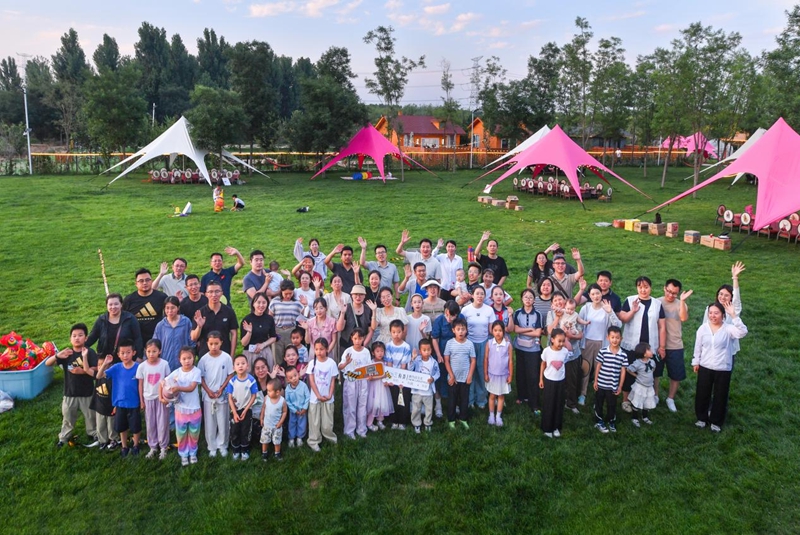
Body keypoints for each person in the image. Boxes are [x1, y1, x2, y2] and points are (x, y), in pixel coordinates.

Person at [86, 293, 142, 450]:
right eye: (110, 304)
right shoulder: (102, 320)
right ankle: (111, 430)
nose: (113, 307)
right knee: (106, 393)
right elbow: (93, 337)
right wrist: (81, 348)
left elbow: (138, 338)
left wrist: (139, 357)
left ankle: (121, 429)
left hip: (125, 360)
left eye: (116, 304)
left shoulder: (130, 319)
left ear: (121, 304)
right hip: (107, 362)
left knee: (123, 391)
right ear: (106, 306)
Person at [692, 301, 747, 432]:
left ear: (723, 315)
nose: (713, 316)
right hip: (705, 366)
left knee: (720, 395)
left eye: (716, 313)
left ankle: (716, 422)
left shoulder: (728, 329)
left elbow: (743, 332)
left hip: (722, 368)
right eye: (710, 313)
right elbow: (698, 347)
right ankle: (702, 418)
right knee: (702, 393)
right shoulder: (703, 329)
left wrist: (734, 315)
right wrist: (696, 362)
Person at [618, 276, 666, 413]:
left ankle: (647, 399)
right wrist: (633, 310)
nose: (643, 290)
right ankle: (626, 400)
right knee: (629, 371)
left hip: (650, 346)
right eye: (640, 287)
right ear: (636, 288)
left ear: (650, 287)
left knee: (649, 373)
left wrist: (662, 347)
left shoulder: (657, 304)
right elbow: (623, 319)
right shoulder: (629, 300)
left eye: (646, 287)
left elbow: (662, 326)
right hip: (632, 345)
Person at [45, 323, 97, 448]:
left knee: (91, 416)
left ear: (86, 338)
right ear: (70, 339)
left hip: (87, 392)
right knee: (68, 417)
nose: (77, 338)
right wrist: (57, 356)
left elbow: (96, 369)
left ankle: (93, 433)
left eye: (80, 335)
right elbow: (48, 363)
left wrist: (82, 371)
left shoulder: (89, 352)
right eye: (74, 336)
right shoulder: (67, 353)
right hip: (70, 393)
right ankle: (64, 437)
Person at [577, 285, 622, 406]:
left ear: (601, 293)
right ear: (589, 296)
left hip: (602, 344)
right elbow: (579, 324)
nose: (596, 296)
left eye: (598, 293)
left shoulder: (606, 307)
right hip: (587, 343)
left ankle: (598, 397)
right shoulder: (586, 308)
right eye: (593, 294)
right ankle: (582, 394)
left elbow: (618, 325)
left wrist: (610, 312)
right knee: (585, 369)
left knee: (600, 371)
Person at [96, 339, 141, 457]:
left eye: (128, 352)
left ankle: (136, 445)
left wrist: (142, 401)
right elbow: (99, 376)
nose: (125, 355)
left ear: (134, 352)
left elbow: (142, 385)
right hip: (120, 403)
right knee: (122, 426)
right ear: (118, 354)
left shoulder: (138, 367)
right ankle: (124, 446)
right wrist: (105, 363)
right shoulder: (116, 368)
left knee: (135, 426)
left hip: (134, 403)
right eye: (122, 353)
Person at [162, 346, 202, 466]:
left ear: (194, 358)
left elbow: (192, 387)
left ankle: (193, 453)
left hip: (194, 408)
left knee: (194, 433)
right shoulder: (177, 372)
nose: (187, 361)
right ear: (179, 360)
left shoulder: (196, 372)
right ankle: (184, 454)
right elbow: (163, 382)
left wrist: (178, 388)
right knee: (181, 433)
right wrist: (163, 396)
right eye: (184, 359)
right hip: (180, 409)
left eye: (189, 358)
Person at [658, 279, 692, 412]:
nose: (671, 295)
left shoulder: (680, 304)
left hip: (675, 345)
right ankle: (654, 395)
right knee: (655, 373)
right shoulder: (657, 302)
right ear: (664, 288)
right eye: (669, 291)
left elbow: (683, 318)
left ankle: (670, 398)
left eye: (674, 293)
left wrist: (682, 301)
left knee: (676, 374)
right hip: (658, 344)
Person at [198, 331, 234, 457]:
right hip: (208, 396)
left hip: (222, 395)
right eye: (211, 344)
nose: (214, 346)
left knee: (223, 421)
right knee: (210, 422)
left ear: (221, 343)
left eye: (216, 343)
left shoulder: (226, 358)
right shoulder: (203, 359)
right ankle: (212, 446)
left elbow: (230, 374)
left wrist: (222, 389)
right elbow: (201, 377)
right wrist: (208, 391)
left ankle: (222, 445)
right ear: (207, 344)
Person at [546, 292, 583, 414]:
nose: (558, 302)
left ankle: (571, 403)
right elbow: (550, 331)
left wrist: (570, 335)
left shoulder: (573, 313)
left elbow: (580, 334)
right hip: (556, 354)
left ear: (565, 301)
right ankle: (557, 401)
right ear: (552, 304)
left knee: (572, 380)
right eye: (555, 300)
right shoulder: (551, 314)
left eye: (560, 299)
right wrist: (557, 317)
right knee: (556, 379)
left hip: (573, 352)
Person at [136, 339, 171, 459]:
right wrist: (141, 401)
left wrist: (167, 397)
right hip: (148, 399)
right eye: (149, 351)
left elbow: (167, 382)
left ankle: (163, 447)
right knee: (150, 423)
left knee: (162, 423)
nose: (151, 354)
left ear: (160, 351)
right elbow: (140, 385)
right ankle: (153, 447)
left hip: (161, 399)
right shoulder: (142, 366)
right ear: (145, 351)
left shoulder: (164, 364)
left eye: (154, 351)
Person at [512, 289, 544, 414]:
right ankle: (521, 396)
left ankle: (534, 402)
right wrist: (530, 329)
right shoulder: (517, 313)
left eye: (531, 297)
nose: (528, 299)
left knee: (533, 375)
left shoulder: (538, 314)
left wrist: (523, 330)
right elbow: (515, 329)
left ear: (534, 300)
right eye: (526, 297)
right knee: (520, 373)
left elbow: (538, 333)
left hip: (533, 349)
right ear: (522, 299)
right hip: (520, 347)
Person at [461, 286, 493, 409]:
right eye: (477, 293)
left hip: (484, 343)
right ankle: (469, 400)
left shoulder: (489, 310)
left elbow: (491, 330)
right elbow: (462, 328)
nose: (479, 296)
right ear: (472, 295)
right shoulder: (465, 310)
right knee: (470, 372)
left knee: (481, 370)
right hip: (469, 343)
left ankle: (481, 400)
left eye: (482, 294)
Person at [592, 326, 627, 433]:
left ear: (621, 338)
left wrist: (620, 386)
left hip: (613, 386)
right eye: (612, 337)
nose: (615, 340)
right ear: (608, 338)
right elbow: (598, 366)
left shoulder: (623, 355)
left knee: (612, 405)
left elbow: (623, 371)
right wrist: (596, 380)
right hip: (601, 384)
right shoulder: (603, 351)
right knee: (599, 403)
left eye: (617, 337)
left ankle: (611, 421)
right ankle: (599, 421)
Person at [306, 338, 338, 452]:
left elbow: (333, 381)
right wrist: (318, 395)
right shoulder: (312, 363)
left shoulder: (331, 363)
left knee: (327, 422)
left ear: (327, 349)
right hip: (315, 398)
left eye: (321, 349)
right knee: (314, 421)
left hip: (328, 398)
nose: (319, 352)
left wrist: (330, 395)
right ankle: (314, 441)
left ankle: (330, 437)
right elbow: (312, 381)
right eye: (316, 349)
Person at [444, 318, 476, 429]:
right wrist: (451, 375)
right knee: (452, 400)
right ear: (453, 330)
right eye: (458, 329)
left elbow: (473, 360)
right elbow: (446, 360)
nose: (461, 331)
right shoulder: (449, 343)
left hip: (465, 378)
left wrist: (470, 375)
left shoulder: (469, 344)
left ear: (466, 330)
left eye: (463, 329)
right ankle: (451, 419)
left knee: (464, 399)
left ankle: (463, 418)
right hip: (453, 378)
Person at [191, 281, 238, 358]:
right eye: (210, 292)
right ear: (206, 294)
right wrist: (199, 327)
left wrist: (232, 356)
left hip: (224, 354)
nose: (214, 295)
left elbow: (234, 334)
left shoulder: (229, 311)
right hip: (205, 355)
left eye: (217, 291)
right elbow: (193, 337)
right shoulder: (200, 313)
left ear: (222, 293)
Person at [339, 328, 371, 439]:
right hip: (351, 381)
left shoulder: (366, 352)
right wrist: (346, 363)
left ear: (363, 339)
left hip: (363, 381)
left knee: (362, 405)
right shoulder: (348, 351)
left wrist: (369, 375)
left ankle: (361, 429)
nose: (357, 341)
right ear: (352, 338)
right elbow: (340, 366)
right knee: (350, 406)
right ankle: (349, 430)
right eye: (355, 338)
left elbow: (369, 367)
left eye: (360, 338)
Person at [123, 268, 168, 345]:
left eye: (147, 280)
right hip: (136, 341)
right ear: (136, 284)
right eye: (141, 281)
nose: (144, 283)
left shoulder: (162, 297)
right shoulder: (129, 300)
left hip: (158, 340)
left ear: (151, 281)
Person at [227, 354, 258, 461]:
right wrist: (234, 412)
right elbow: (229, 397)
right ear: (234, 367)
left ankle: (245, 449)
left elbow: (254, 396)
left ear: (247, 366)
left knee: (246, 430)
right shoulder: (232, 381)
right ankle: (236, 450)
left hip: (247, 410)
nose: (240, 366)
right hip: (235, 410)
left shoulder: (251, 380)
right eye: (238, 364)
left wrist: (246, 410)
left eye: (243, 363)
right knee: (234, 430)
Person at [539, 328, 568, 438]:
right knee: (549, 404)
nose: (561, 343)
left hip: (560, 381)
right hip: (549, 381)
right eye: (559, 341)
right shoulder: (547, 351)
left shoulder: (565, 352)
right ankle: (547, 428)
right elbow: (543, 364)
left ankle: (556, 427)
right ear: (552, 340)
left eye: (563, 341)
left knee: (558, 404)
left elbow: (564, 363)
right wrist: (541, 379)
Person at [153, 296, 193, 372]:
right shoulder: (161, 325)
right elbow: (155, 345)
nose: (170, 311)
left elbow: (191, 342)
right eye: (167, 308)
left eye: (173, 308)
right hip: (166, 363)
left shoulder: (186, 322)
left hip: (184, 364)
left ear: (178, 308)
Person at [385, 319, 413, 429]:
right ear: (390, 332)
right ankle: (394, 420)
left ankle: (402, 421)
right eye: (394, 332)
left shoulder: (406, 347)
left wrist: (401, 381)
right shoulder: (388, 346)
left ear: (403, 332)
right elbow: (389, 364)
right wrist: (391, 379)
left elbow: (403, 365)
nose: (396, 334)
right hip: (392, 376)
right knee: (393, 398)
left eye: (399, 332)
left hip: (403, 376)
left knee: (403, 398)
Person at [484, 321, 512, 427]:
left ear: (503, 331)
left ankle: (498, 416)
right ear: (492, 331)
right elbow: (486, 359)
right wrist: (485, 373)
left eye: (500, 330)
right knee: (492, 395)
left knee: (500, 396)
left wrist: (510, 375)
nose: (498, 333)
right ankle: (491, 415)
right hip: (492, 374)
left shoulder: (508, 345)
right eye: (495, 330)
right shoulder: (489, 343)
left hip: (503, 375)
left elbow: (510, 361)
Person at [268, 279, 303, 364]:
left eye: (290, 293)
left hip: (291, 332)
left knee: (291, 355)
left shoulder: (296, 303)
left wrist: (305, 305)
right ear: (281, 291)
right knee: (277, 355)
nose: (288, 296)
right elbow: (270, 318)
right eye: (286, 293)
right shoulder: (275, 301)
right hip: (278, 331)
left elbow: (306, 315)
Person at [409, 338, 440, 433]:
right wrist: (412, 359)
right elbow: (410, 369)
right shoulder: (417, 360)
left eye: (428, 350)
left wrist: (433, 378)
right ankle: (416, 424)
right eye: (424, 350)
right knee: (416, 408)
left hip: (428, 391)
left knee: (429, 408)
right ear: (420, 351)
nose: (427, 352)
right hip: (417, 390)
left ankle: (427, 423)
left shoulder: (433, 362)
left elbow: (438, 373)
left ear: (431, 350)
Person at [240, 292, 277, 371]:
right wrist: (249, 332)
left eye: (264, 302)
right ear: (253, 304)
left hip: (265, 351)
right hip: (250, 353)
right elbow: (243, 343)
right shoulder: (247, 319)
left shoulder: (269, 319)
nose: (261, 305)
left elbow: (273, 337)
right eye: (258, 302)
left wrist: (263, 345)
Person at [627, 343, 657, 427]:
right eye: (649, 350)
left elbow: (653, 368)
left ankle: (645, 416)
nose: (651, 351)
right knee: (636, 402)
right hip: (640, 386)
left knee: (647, 402)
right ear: (644, 354)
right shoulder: (637, 363)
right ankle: (635, 418)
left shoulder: (652, 362)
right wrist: (636, 375)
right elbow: (629, 369)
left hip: (649, 386)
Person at [337, 285, 374, 351]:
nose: (358, 297)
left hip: (363, 346)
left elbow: (371, 330)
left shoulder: (368, 309)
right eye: (356, 294)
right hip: (346, 345)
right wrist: (342, 313)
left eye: (361, 295)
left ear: (364, 296)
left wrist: (364, 344)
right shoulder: (346, 308)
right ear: (352, 295)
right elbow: (339, 328)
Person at [367, 341, 393, 431]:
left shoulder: (385, 363)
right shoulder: (371, 363)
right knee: (374, 404)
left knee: (382, 404)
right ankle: (369, 423)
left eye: (382, 351)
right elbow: (370, 378)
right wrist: (382, 376)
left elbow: (388, 374)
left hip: (383, 387)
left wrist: (388, 381)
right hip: (374, 387)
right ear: (373, 353)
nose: (380, 353)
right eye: (377, 351)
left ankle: (380, 421)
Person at [260, 378, 287, 461]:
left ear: (277, 392)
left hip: (276, 426)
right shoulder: (266, 398)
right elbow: (263, 408)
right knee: (265, 440)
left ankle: (277, 453)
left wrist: (281, 422)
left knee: (277, 441)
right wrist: (261, 418)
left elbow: (284, 412)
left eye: (269, 391)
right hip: (266, 425)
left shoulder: (282, 401)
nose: (267, 392)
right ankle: (264, 453)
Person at [284, 366, 310, 448]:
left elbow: (307, 397)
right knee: (292, 423)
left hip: (302, 410)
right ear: (287, 380)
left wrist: (305, 408)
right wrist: (294, 410)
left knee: (302, 423)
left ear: (298, 375)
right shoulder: (287, 389)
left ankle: (299, 437)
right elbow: (287, 401)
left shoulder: (303, 386)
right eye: (291, 378)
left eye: (295, 375)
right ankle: (291, 438)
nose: (294, 379)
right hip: (293, 411)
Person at [250, 357, 271, 443]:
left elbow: (281, 395)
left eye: (263, 367)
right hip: (257, 417)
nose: (261, 370)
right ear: (254, 371)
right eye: (257, 368)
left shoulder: (272, 380)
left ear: (267, 368)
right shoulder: (251, 383)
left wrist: (274, 380)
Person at [405, 294, 432, 359]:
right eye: (415, 302)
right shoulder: (407, 319)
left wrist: (421, 331)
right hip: (408, 350)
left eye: (419, 302)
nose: (417, 304)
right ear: (411, 304)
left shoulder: (426, 319)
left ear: (422, 303)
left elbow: (426, 339)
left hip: (421, 351)